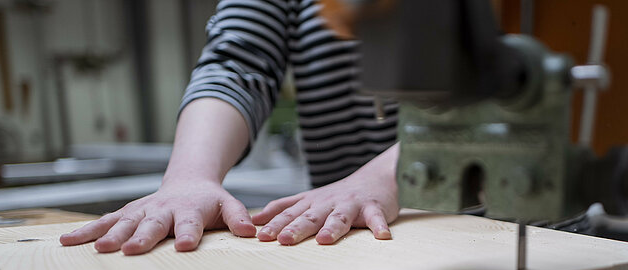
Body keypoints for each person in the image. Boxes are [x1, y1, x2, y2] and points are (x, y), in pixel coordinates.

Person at [61, 0, 400, 255]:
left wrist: (387, 176)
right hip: (336, 239)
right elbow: (237, 62)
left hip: (446, 223)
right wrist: (190, 177)